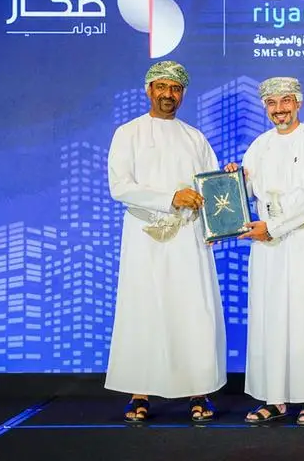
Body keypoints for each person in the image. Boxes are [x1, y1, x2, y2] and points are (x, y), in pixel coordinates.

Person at [224, 77, 304, 426]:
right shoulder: (259, 146)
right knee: (271, 317)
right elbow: (248, 190)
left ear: (298, 103)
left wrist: (275, 227)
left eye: (285, 101)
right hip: (268, 246)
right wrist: (235, 179)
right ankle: (274, 398)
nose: (279, 109)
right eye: (272, 103)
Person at [105, 60, 226, 423]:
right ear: (149, 90)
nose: (168, 94)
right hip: (145, 237)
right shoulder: (128, 133)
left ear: (183, 93)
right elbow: (120, 187)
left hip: (189, 236)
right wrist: (171, 197)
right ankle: (138, 393)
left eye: (175, 88)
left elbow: (211, 186)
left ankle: (199, 390)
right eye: (161, 87)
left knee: (192, 311)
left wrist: (217, 225)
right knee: (143, 310)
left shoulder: (194, 137)